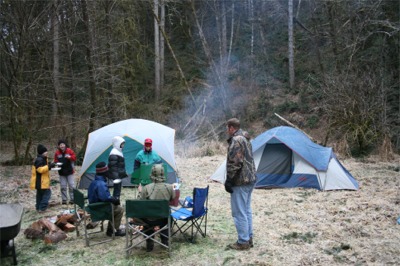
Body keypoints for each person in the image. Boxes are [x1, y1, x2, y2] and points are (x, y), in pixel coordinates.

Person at [224, 118, 256, 251]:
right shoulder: (246, 138)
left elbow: (235, 163)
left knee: (239, 212)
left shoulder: (236, 140)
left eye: (227, 128)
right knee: (246, 210)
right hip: (251, 179)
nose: (227, 131)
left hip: (241, 181)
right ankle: (248, 237)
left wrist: (229, 180)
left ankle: (243, 242)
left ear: (231, 128)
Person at [139, 164, 175, 252]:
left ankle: (149, 241)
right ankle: (165, 239)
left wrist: (140, 192)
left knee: (146, 216)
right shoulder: (170, 187)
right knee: (168, 216)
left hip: (149, 219)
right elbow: (172, 198)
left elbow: (140, 203)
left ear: (152, 173)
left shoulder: (146, 188)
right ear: (163, 173)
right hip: (163, 218)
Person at [88, 162, 125, 237]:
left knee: (115, 207)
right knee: (120, 209)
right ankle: (112, 230)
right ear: (104, 172)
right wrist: (114, 199)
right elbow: (105, 198)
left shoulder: (94, 182)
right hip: (100, 209)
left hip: (93, 208)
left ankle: (111, 229)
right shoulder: (101, 184)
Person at [30, 144, 56, 213]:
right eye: (45, 152)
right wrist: (49, 166)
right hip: (41, 182)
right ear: (42, 152)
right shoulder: (39, 159)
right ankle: (42, 208)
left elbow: (45, 167)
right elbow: (40, 169)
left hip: (40, 182)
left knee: (40, 195)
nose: (47, 152)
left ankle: (38, 208)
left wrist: (50, 165)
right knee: (47, 193)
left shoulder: (42, 159)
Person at [54, 139, 76, 204]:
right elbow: (55, 160)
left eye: (63, 144)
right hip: (61, 172)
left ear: (65, 145)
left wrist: (69, 157)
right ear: (59, 146)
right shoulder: (57, 153)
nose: (62, 146)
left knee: (71, 186)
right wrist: (56, 163)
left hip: (70, 171)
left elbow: (74, 158)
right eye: (60, 145)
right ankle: (64, 200)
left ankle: (72, 199)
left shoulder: (69, 151)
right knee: (63, 186)